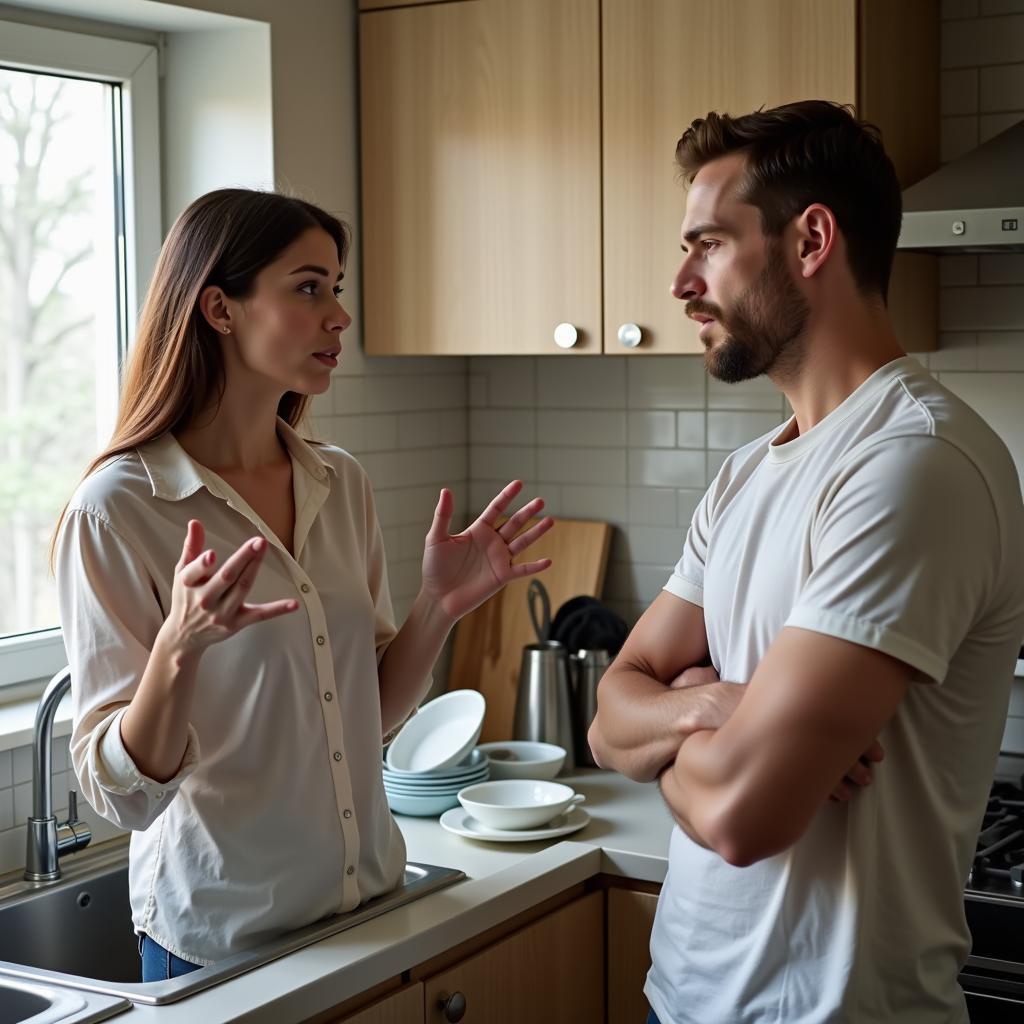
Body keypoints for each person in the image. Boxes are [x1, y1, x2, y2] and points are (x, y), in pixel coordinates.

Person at [588, 100, 1024, 1023]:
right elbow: (607, 718)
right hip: (685, 997)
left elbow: (745, 817)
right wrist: (711, 705)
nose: (679, 282)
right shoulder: (751, 471)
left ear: (811, 240)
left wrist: (667, 733)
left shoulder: (913, 464)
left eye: (707, 244)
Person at [53, 188, 553, 982]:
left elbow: (370, 716)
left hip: (369, 915)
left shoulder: (337, 481)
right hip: (222, 945)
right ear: (220, 308)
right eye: (308, 287)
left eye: (338, 289)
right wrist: (178, 652)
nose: (339, 317)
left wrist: (439, 607)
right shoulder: (119, 510)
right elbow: (123, 800)